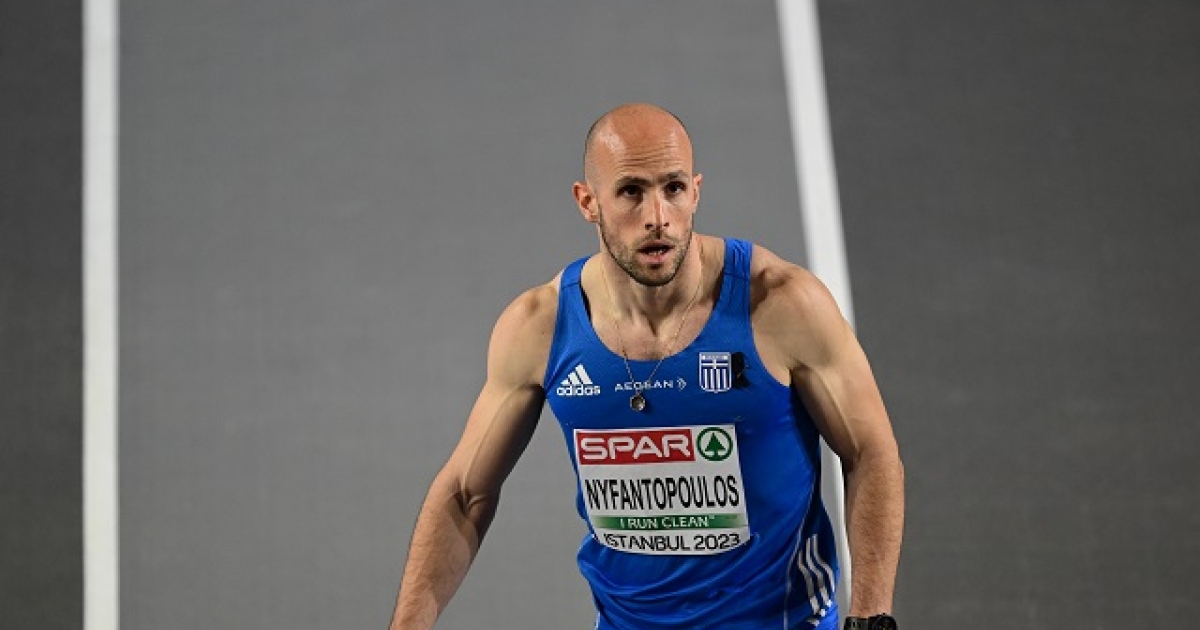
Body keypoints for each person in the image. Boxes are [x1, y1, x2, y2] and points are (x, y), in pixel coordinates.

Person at [389, 103, 904, 630]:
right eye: (631, 191)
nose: (657, 215)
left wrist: (870, 617)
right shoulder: (540, 328)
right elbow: (464, 494)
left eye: (673, 188)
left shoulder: (782, 305)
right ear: (588, 202)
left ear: (695, 192)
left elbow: (870, 452)